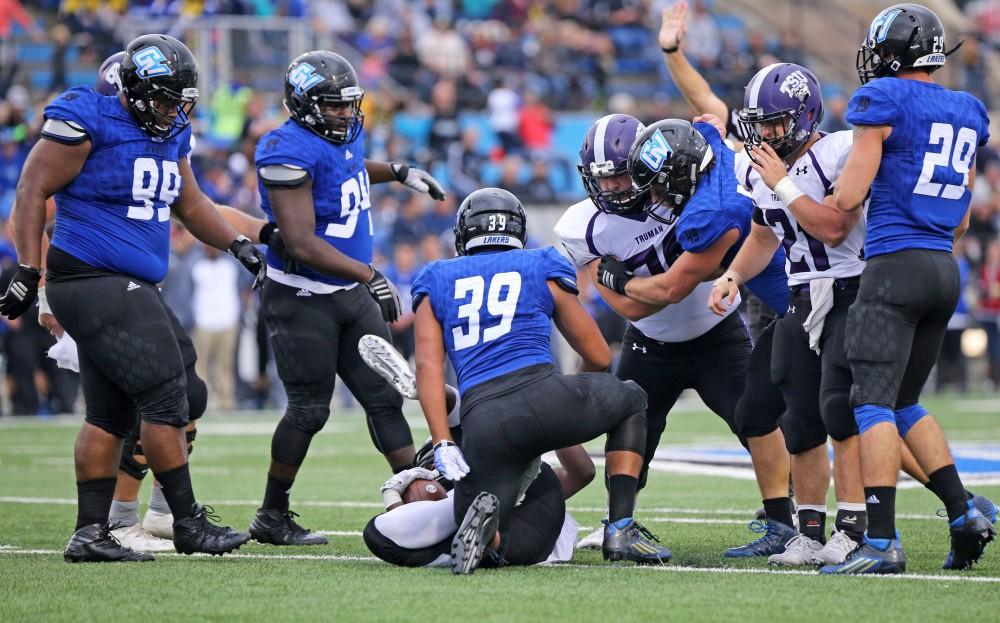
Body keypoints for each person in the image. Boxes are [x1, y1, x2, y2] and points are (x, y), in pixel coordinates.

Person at [0, 34, 266, 562]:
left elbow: (191, 204)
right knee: (169, 391)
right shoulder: (87, 120)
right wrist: (30, 270)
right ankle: (184, 521)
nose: (175, 109)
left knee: (112, 414)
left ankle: (90, 533)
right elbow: (31, 190)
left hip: (129, 283)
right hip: (90, 277)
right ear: (137, 90)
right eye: (166, 98)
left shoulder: (169, 133)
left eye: (180, 99)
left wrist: (237, 242)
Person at [410, 187, 670, 574]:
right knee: (631, 398)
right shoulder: (541, 263)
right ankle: (619, 528)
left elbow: (428, 368)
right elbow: (598, 355)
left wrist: (444, 440)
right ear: (518, 231)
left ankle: (493, 539)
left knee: (500, 533)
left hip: (484, 421)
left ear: (464, 235)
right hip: (544, 390)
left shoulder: (436, 277)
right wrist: (566, 407)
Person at [822, 3, 995, 574]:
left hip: (894, 265)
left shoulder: (883, 99)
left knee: (870, 401)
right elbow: (965, 216)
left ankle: (880, 539)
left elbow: (847, 198)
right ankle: (962, 511)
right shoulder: (968, 109)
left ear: (891, 53)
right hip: (944, 268)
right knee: (904, 402)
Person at [249, 50, 447, 546]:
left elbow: (352, 166)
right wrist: (368, 273)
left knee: (385, 399)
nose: (345, 114)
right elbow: (299, 241)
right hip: (301, 296)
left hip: (346, 293)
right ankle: (272, 515)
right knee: (309, 410)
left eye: (348, 105)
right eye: (333, 106)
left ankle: (418, 506)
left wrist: (397, 171)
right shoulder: (283, 148)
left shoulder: (345, 134)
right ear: (304, 104)